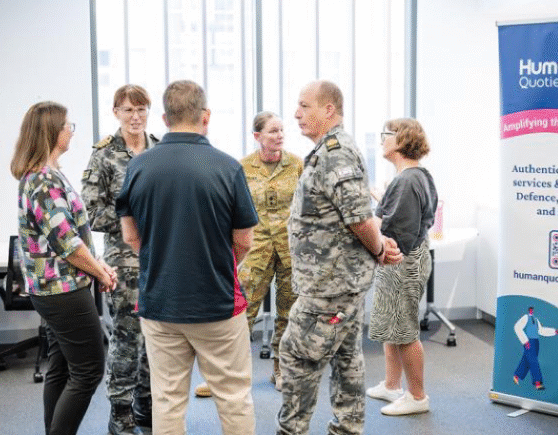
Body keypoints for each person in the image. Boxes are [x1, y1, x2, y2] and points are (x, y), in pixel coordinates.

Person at [116, 80, 259, 435]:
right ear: (205, 116)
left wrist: (162, 260)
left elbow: (130, 236)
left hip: (160, 302)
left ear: (164, 118)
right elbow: (244, 241)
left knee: (166, 399)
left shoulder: (138, 167)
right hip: (217, 301)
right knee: (234, 398)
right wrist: (216, 264)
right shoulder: (228, 168)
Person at [276, 80, 403, 435]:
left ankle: (292, 431)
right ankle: (347, 428)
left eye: (305, 106)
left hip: (330, 286)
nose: (297, 114)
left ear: (328, 109)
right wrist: (379, 244)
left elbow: (358, 218)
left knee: (298, 356)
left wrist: (379, 249)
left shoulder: (335, 152)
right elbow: (352, 213)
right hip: (336, 281)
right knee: (346, 357)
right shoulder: (328, 149)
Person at [10, 101, 117, 435]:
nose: (71, 131)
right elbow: (66, 243)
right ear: (52, 132)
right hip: (62, 291)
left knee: (62, 367)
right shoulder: (44, 181)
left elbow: (72, 235)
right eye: (68, 125)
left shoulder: (46, 174)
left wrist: (97, 264)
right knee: (88, 371)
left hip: (57, 288)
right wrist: (100, 272)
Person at [194, 111, 303, 398]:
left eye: (281, 130)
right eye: (272, 131)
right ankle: (224, 376)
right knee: (241, 314)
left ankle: (282, 370)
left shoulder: (297, 165)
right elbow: (229, 209)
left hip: (291, 249)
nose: (279, 135)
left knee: (289, 314)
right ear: (257, 136)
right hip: (254, 249)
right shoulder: (242, 167)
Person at [81, 84, 158, 434]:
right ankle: (121, 412)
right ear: (116, 113)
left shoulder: (159, 150)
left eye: (141, 109)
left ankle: (147, 403)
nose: (136, 117)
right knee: (127, 338)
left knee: (157, 336)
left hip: (159, 258)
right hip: (123, 261)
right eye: (128, 110)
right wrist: (133, 220)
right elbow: (91, 212)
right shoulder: (104, 155)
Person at [365, 118, 438, 416]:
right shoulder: (414, 176)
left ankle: (417, 396)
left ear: (402, 139)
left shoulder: (407, 180)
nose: (381, 139)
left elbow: (393, 231)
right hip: (404, 257)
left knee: (404, 329)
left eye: (386, 134)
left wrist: (363, 223)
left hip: (402, 259)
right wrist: (381, 201)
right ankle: (392, 385)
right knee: (391, 324)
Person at [512, 306, 557, 390]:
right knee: (533, 362)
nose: (531, 311)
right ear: (529, 310)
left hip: (536, 342)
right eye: (530, 309)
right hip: (529, 341)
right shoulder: (525, 317)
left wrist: (555, 332)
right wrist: (525, 341)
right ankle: (537, 382)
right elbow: (517, 327)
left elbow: (541, 330)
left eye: (532, 310)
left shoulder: (536, 319)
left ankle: (516, 376)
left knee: (526, 360)